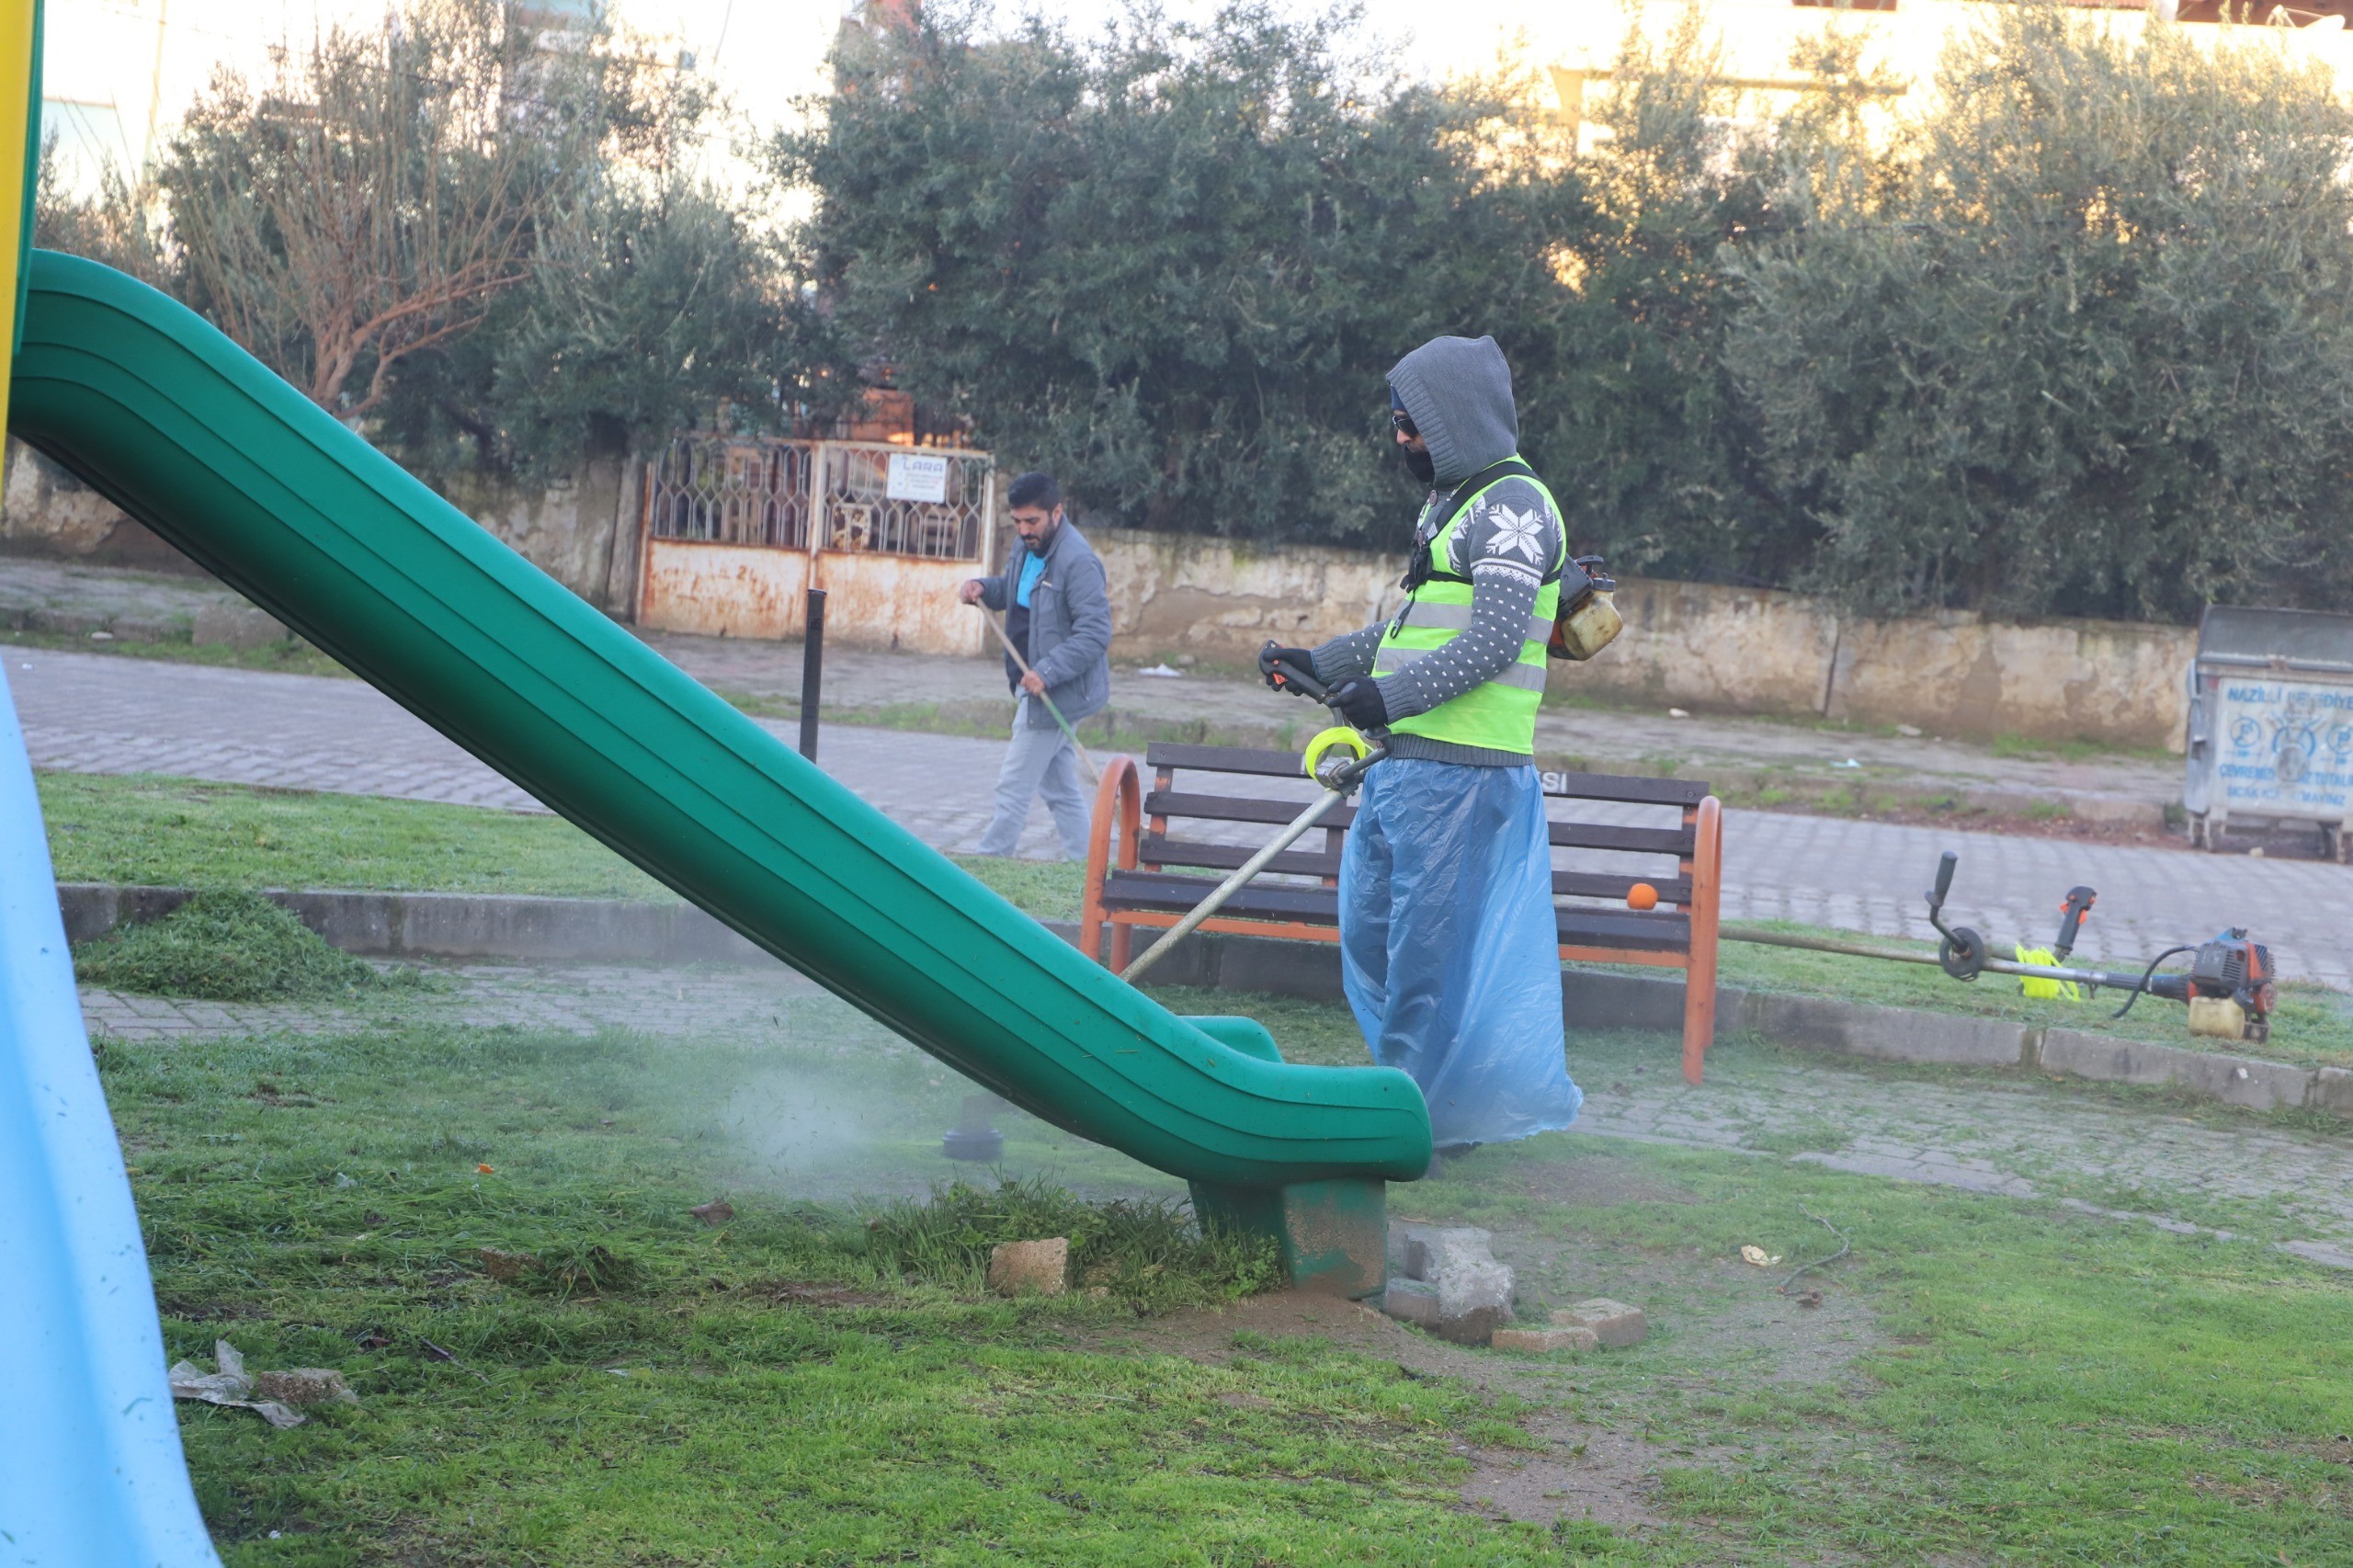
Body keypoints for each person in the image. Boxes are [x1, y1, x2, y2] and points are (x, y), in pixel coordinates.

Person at [1261, 335, 1584, 1157]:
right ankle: (1429, 1108)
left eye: (1411, 426)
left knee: (1424, 964)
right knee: (1375, 938)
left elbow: (1498, 641)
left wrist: (1389, 696)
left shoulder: (1513, 507)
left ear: (1455, 421)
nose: (1400, 440)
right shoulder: (1452, 501)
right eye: (1397, 424)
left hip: (1463, 774)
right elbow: (1411, 626)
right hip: (1407, 766)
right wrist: (1324, 662)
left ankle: (1402, 1128)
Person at [958, 472, 1112, 858]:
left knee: (1013, 784)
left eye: (1033, 521)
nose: (1025, 530)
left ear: (1056, 512)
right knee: (1059, 789)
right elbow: (1013, 590)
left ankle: (990, 862)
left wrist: (1046, 671)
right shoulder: (1026, 548)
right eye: (1018, 522)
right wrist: (982, 588)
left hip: (1057, 693)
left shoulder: (1078, 562)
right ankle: (1087, 864)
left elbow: (1094, 633)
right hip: (1033, 684)